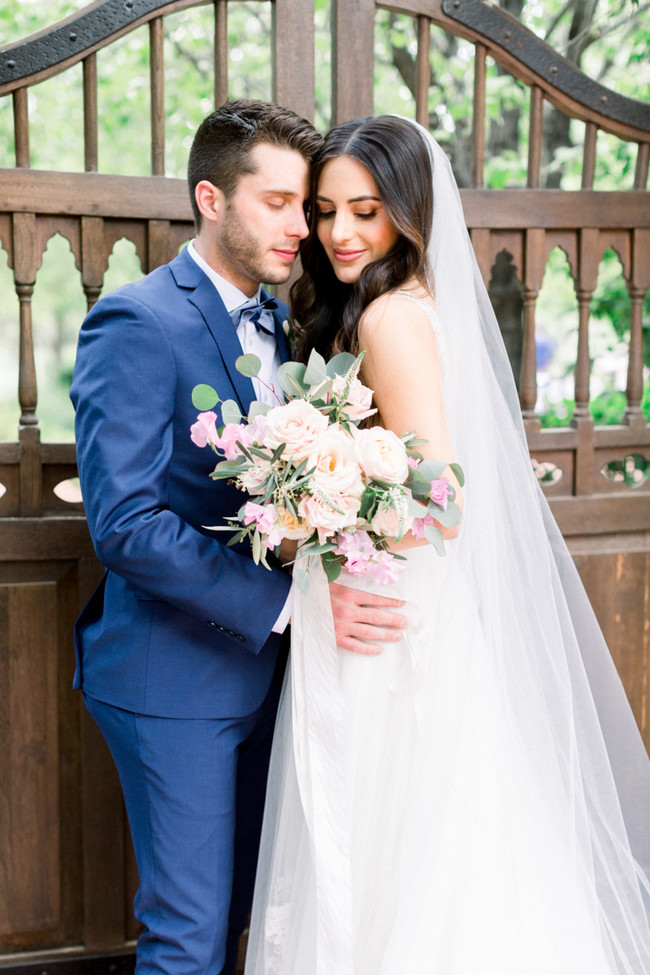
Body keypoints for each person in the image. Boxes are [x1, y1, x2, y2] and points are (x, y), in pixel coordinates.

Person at [244, 115, 650, 974]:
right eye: (324, 211)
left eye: (366, 210)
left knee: (399, 834)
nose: (340, 233)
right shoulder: (397, 304)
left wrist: (319, 504)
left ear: (407, 210)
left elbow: (443, 499)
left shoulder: (391, 318)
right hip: (401, 603)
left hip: (395, 617)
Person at [70, 99, 408, 975]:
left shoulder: (290, 323)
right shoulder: (137, 321)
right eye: (279, 203)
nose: (304, 227)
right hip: (171, 674)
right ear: (211, 198)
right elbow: (126, 524)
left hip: (278, 677)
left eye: (310, 205)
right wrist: (292, 601)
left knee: (261, 919)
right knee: (187, 935)